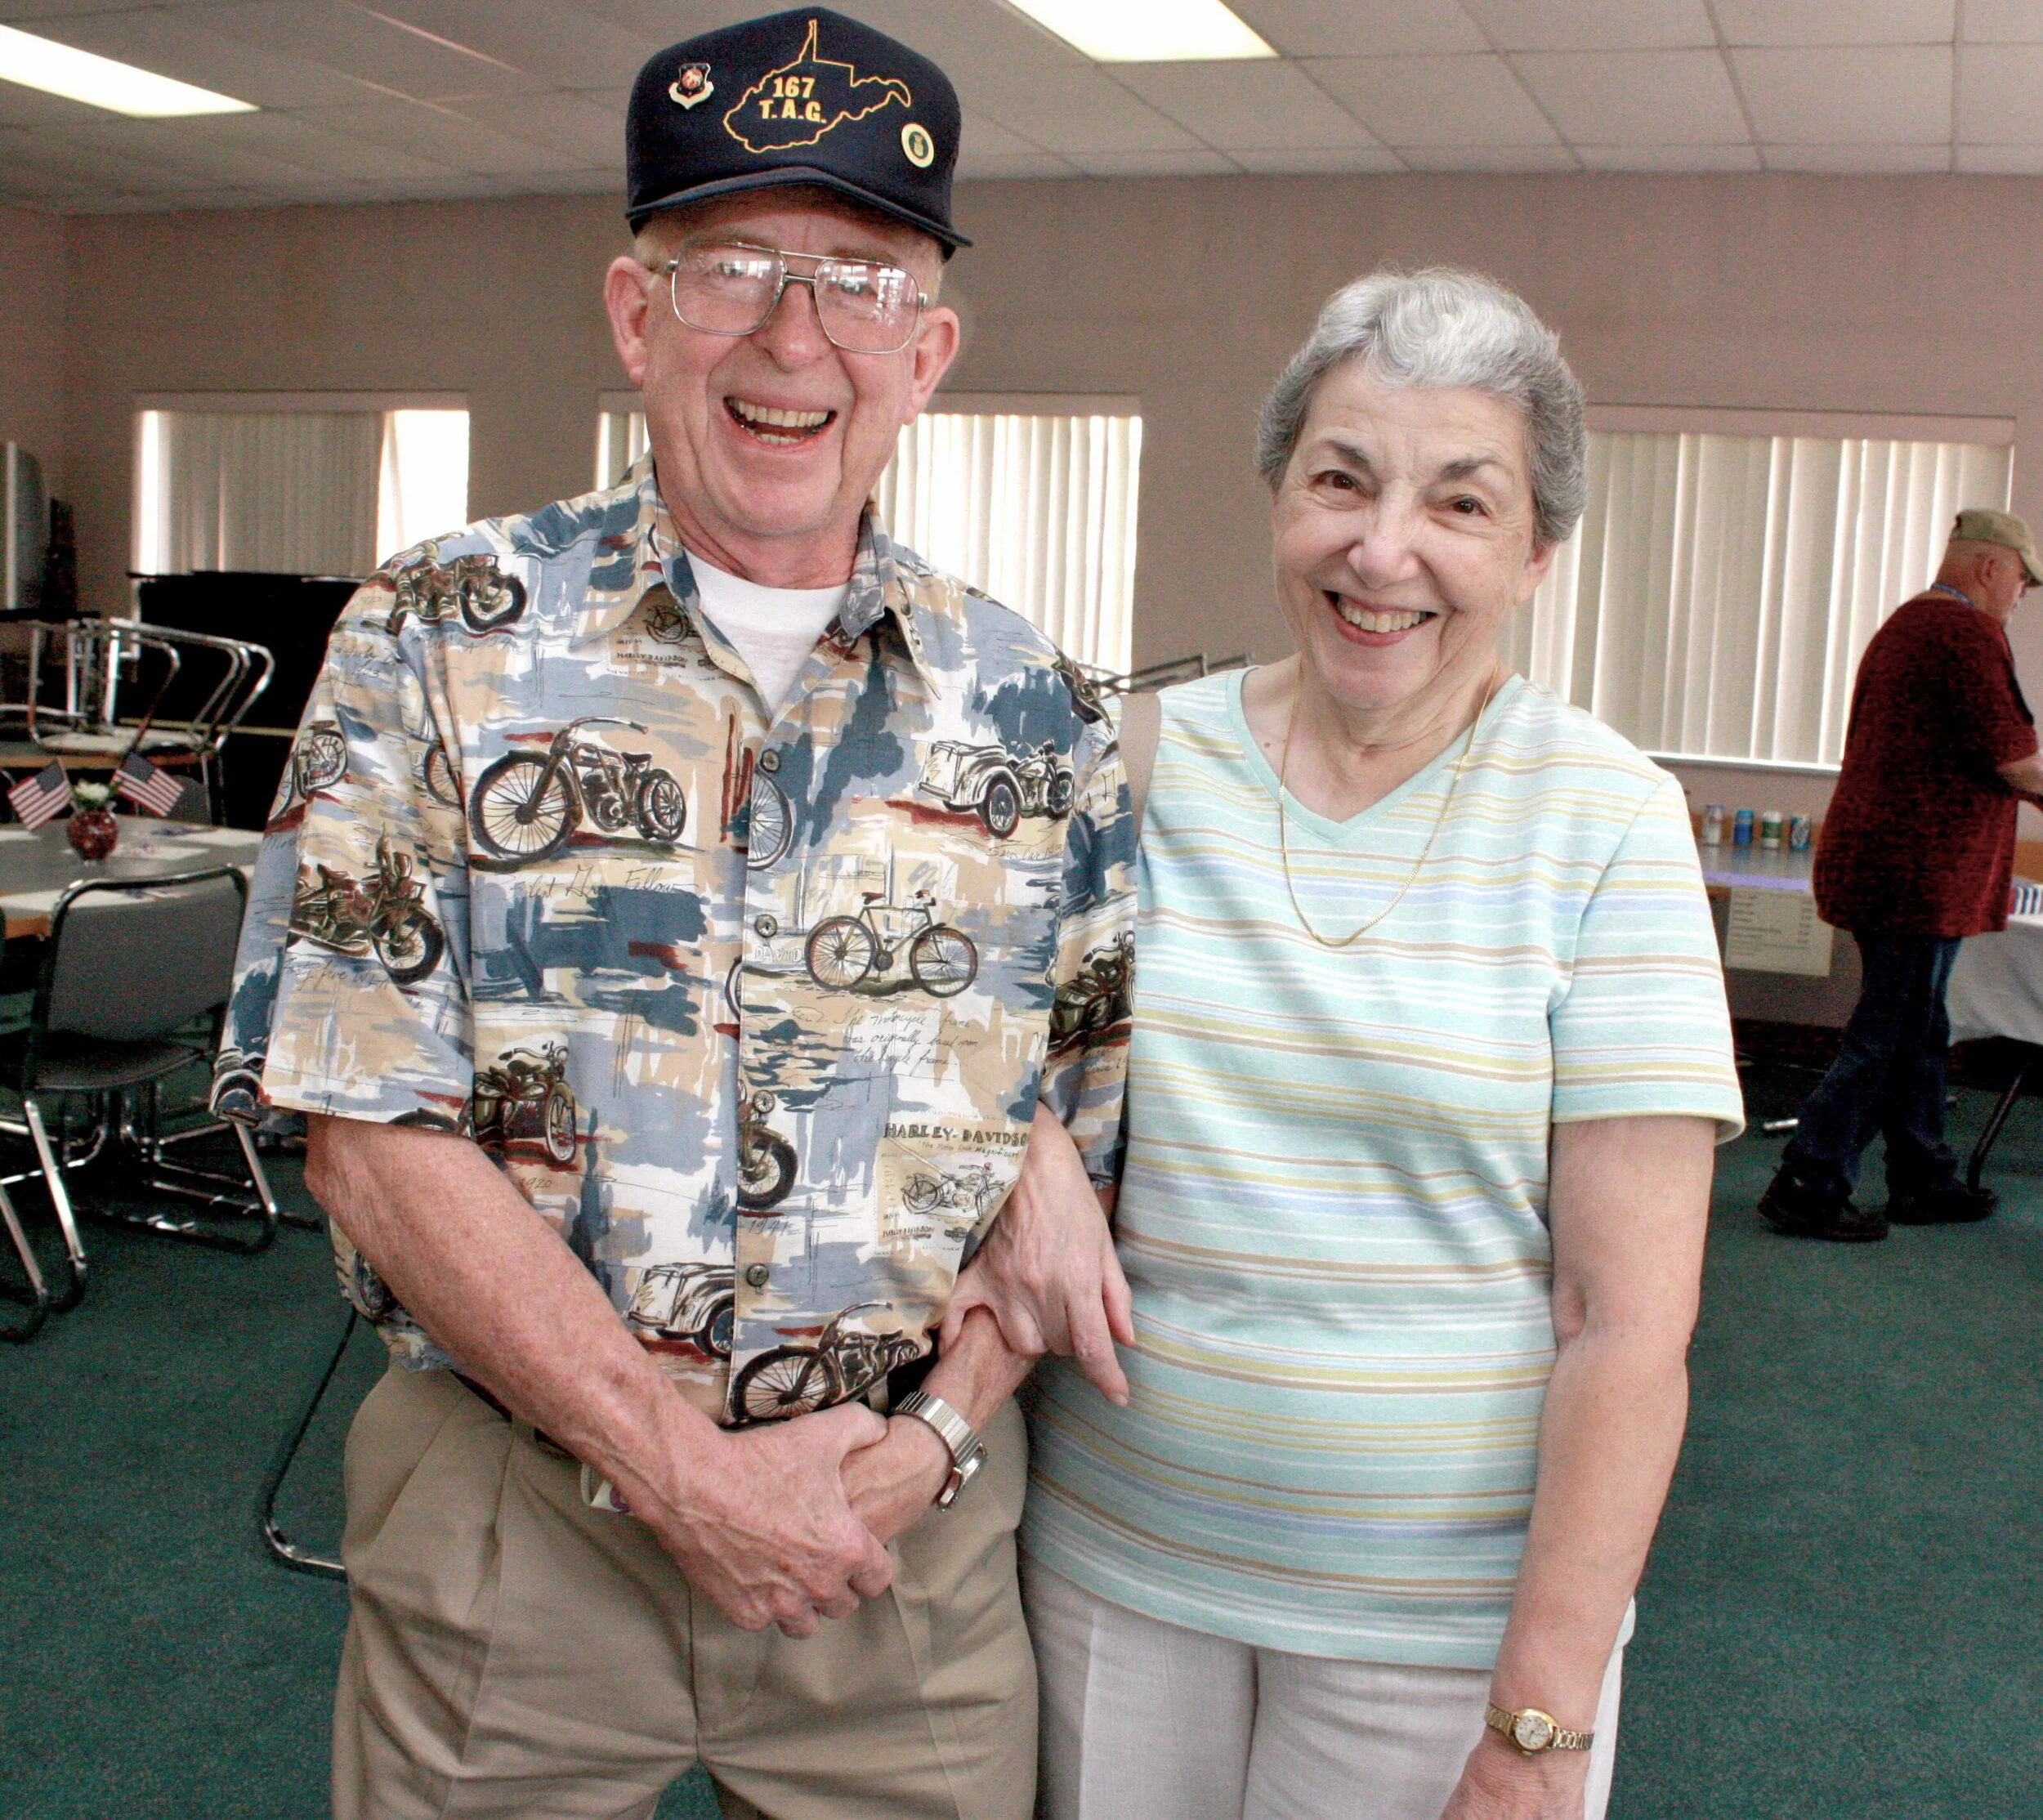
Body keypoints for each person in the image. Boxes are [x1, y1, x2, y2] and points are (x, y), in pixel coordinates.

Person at [212, 11, 1134, 1817]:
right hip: (521, 1520)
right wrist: (671, 1461)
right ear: (636, 317)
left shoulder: (1040, 713)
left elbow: (1071, 1171)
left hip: (899, 1540)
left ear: (925, 353)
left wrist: (936, 1434)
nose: (796, 338)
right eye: (735, 267)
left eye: (860, 281)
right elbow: (359, 1127)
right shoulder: (435, 635)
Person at [946, 269, 1745, 1820]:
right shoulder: (1140, 760)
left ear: (1537, 552)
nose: (1384, 552)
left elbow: (1626, 1324)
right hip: (1117, 1570)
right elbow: (967, 1034)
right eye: (1341, 480)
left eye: (1460, 502)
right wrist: (1033, 1146)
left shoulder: (1610, 821)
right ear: (1278, 498)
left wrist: (1539, 1728)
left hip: (1436, 1632)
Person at [1759, 509, 2043, 1242]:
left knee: (1919, 1028)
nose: (2022, 596)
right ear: (1989, 568)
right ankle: (1808, 1181)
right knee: (1888, 1033)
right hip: (1916, 873)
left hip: (1893, 865)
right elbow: (2014, 762)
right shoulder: (1963, 631)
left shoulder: (1913, 622)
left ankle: (1923, 1176)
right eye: (2022, 581)